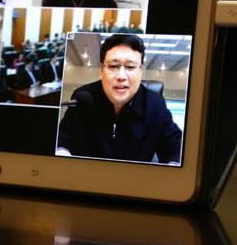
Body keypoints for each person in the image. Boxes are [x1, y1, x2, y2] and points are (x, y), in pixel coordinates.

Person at [56, 34, 182, 164]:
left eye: (130, 67)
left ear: (140, 71)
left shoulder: (156, 105)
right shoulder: (83, 97)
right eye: (113, 66)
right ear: (101, 70)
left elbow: (176, 148)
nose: (121, 76)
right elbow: (61, 140)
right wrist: (62, 154)